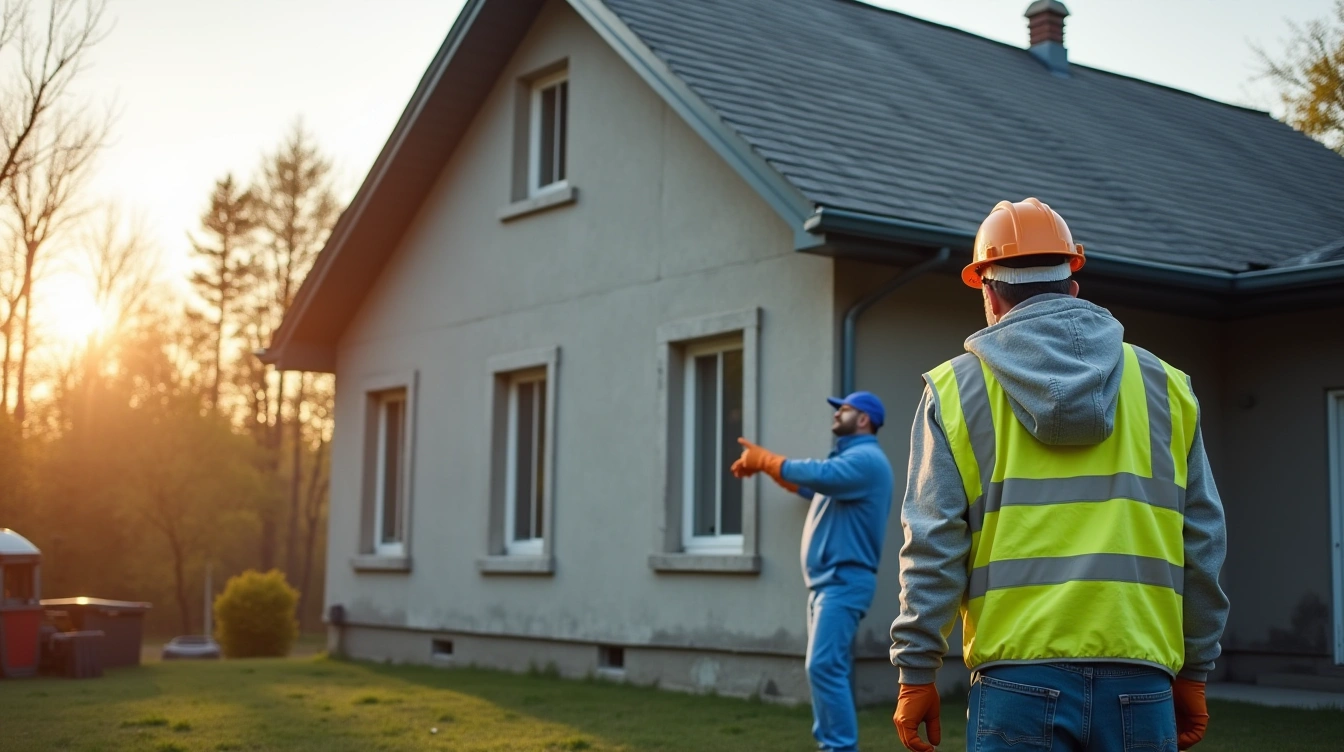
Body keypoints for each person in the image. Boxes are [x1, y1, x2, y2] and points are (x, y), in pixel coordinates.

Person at [889, 197, 1229, 752]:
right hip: (1141, 678)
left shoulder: (955, 392)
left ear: (988, 293)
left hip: (1015, 681)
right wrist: (1195, 667)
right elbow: (1204, 543)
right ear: (1073, 285)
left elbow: (933, 545)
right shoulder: (1167, 388)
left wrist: (916, 670)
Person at [733, 391, 895, 752]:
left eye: (844, 409)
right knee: (823, 668)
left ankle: (839, 747)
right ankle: (833, 745)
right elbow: (809, 486)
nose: (836, 414)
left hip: (844, 582)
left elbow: (819, 475)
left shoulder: (866, 460)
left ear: (864, 419)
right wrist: (766, 467)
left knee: (824, 667)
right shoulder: (850, 465)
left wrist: (768, 459)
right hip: (828, 584)